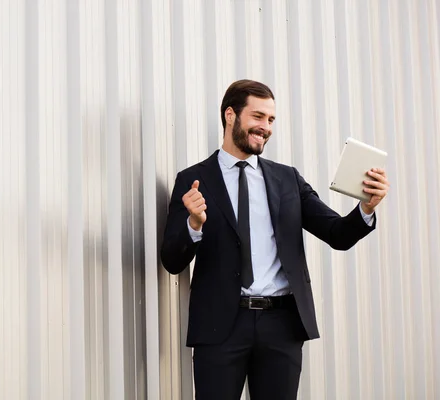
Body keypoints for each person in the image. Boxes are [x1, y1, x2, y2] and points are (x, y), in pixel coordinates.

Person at [160, 80, 390, 399]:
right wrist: (193, 224)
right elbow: (171, 260)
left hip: (281, 326)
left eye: (271, 120)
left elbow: (337, 234)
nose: (265, 127)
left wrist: (365, 208)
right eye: (258, 116)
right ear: (230, 115)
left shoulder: (287, 179)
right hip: (219, 327)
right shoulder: (193, 180)